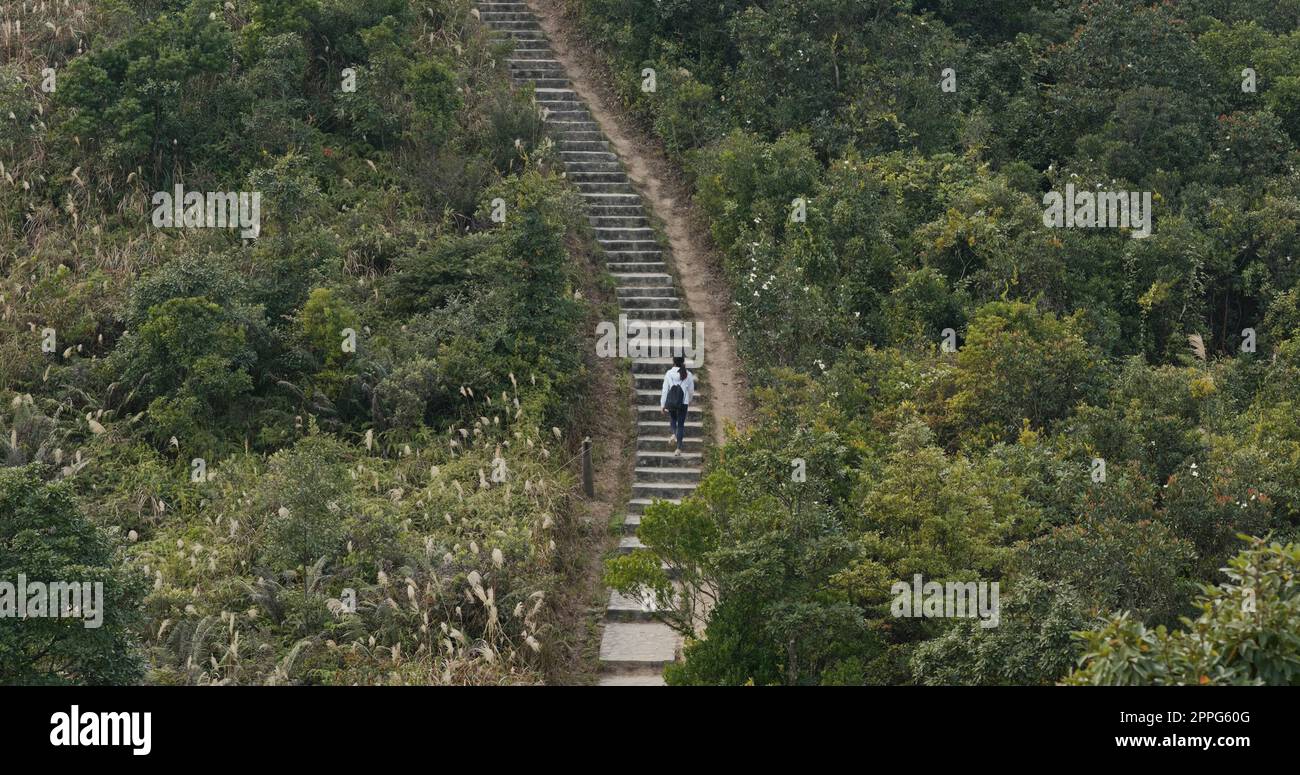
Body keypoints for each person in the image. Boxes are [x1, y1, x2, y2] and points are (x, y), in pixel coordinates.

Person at [659, 355, 695, 455]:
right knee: (681, 424)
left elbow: (665, 390)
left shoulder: (669, 373)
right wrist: (690, 400)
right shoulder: (688, 374)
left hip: (672, 401)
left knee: (673, 420)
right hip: (683, 402)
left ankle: (674, 434)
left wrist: (662, 404)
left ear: (673, 362)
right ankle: (678, 449)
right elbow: (691, 390)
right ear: (683, 362)